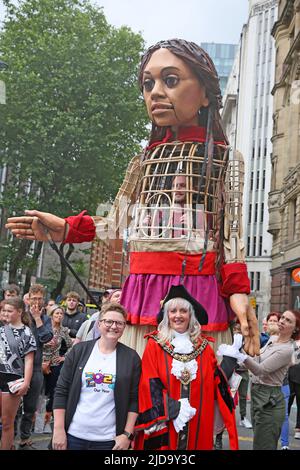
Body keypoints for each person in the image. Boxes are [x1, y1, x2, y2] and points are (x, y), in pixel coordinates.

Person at [5, 39, 259, 357]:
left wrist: (237, 292)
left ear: (205, 93)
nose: (154, 92)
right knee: (134, 394)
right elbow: (115, 223)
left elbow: (231, 233)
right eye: (147, 83)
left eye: (170, 80)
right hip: (140, 294)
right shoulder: (141, 162)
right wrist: (67, 229)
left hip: (197, 293)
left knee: (189, 392)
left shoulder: (225, 159)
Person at [134, 284, 238, 450]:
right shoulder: (154, 345)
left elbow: (214, 384)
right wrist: (174, 409)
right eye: (173, 311)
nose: (178, 316)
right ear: (167, 315)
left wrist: (230, 360)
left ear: (191, 315)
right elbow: (149, 384)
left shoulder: (204, 347)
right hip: (167, 422)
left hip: (199, 421)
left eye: (183, 311)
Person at [51, 301, 141, 450]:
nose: (113, 326)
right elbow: (61, 391)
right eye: (108, 321)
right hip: (73, 436)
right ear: (99, 324)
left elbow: (134, 399)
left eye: (119, 323)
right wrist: (58, 430)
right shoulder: (79, 351)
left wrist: (127, 435)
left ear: (124, 327)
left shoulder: (131, 358)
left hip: (109, 440)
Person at [218, 309, 300, 450]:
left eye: (288, 321)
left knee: (263, 445)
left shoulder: (287, 349)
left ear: (296, 328)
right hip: (257, 393)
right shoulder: (273, 339)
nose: (282, 321)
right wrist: (238, 350)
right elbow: (257, 358)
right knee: (259, 442)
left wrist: (240, 356)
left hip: (269, 398)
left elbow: (261, 370)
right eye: (283, 317)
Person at [18, 283, 53, 450]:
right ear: (28, 298)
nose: (36, 302)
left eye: (40, 299)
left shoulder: (46, 318)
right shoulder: (20, 315)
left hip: (37, 369)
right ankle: (8, 438)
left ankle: (24, 438)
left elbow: (46, 338)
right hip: (17, 368)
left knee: (30, 407)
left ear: (43, 300)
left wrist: (38, 318)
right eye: (34, 298)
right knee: (14, 407)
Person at [0, 298, 36, 450]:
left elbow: (29, 361)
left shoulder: (27, 333)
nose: (5, 313)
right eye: (4, 310)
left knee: (7, 423)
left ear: (20, 312)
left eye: (9, 310)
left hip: (12, 380)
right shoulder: (1, 329)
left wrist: (26, 383)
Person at [42, 304, 73, 433]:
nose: (59, 316)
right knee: (39, 392)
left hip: (55, 365)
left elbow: (72, 346)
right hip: (40, 364)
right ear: (51, 315)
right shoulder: (43, 329)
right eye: (56, 313)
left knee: (53, 391)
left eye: (61, 314)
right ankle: (36, 418)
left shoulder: (64, 330)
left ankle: (47, 420)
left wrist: (64, 357)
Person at [288, 336, 300, 441]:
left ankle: (298, 428)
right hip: (289, 377)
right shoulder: (290, 341)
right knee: (287, 403)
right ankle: (283, 426)